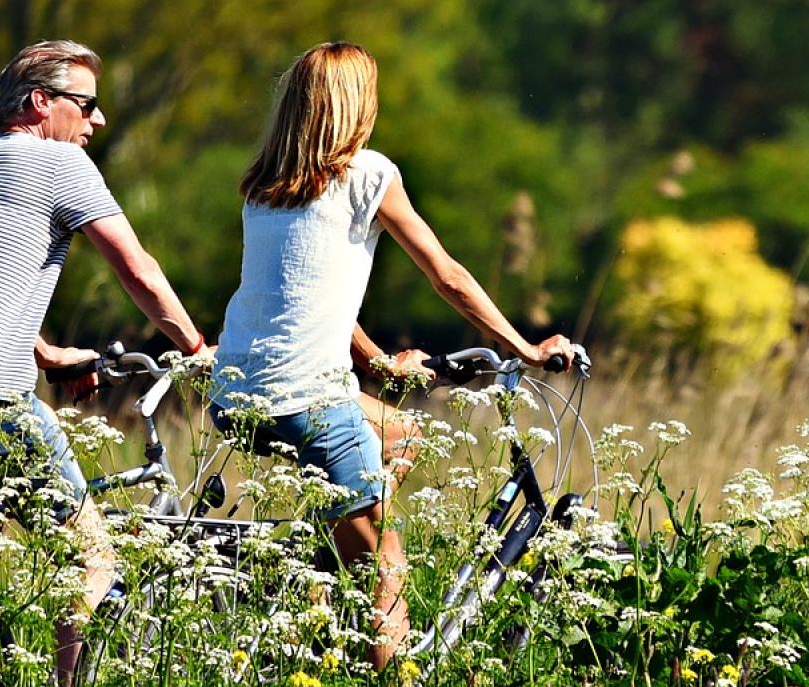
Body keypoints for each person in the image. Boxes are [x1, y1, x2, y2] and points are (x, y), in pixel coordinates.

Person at [214, 41, 574, 667]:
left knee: (400, 432)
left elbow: (303, 293)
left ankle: (318, 584)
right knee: (387, 568)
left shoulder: (264, 187)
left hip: (235, 390)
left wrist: (375, 362)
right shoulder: (369, 174)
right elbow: (447, 275)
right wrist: (525, 348)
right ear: (356, 107)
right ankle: (384, 660)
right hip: (307, 397)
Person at [0, 40, 209, 685]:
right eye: (86, 105)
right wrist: (195, 347)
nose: (97, 122)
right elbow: (137, 270)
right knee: (88, 559)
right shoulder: (61, 166)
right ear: (39, 104)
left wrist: (48, 353)